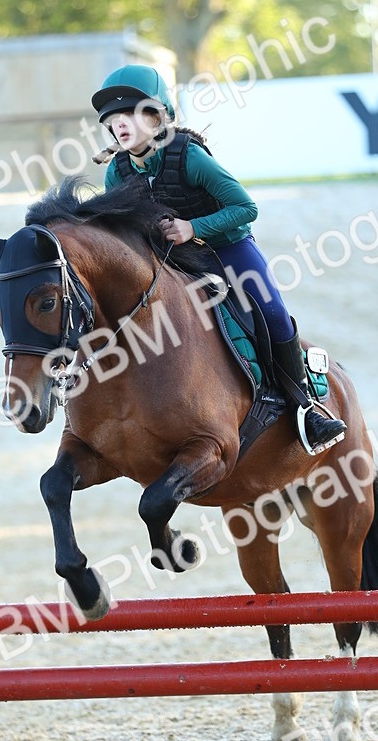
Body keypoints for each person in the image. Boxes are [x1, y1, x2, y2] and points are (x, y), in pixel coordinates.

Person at [91, 64, 346, 453]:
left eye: (128, 115)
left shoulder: (190, 157)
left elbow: (245, 207)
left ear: (156, 116)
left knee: (272, 311)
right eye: (112, 121)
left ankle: (306, 409)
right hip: (174, 260)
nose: (118, 126)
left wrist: (193, 227)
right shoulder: (118, 171)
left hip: (229, 247)